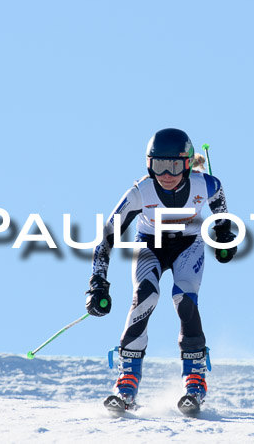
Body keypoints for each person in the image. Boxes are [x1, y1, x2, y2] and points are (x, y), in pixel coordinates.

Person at [85, 128, 237, 412]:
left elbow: (223, 217)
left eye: (174, 166)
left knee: (184, 298)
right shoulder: (139, 192)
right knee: (145, 296)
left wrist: (224, 237)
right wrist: (97, 282)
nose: (166, 175)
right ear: (148, 164)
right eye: (158, 166)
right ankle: (126, 381)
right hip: (149, 245)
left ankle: (194, 380)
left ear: (188, 164)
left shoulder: (208, 185)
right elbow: (106, 238)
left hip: (188, 245)